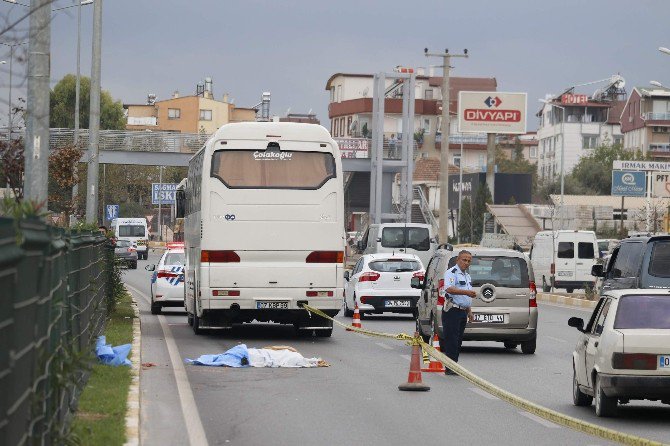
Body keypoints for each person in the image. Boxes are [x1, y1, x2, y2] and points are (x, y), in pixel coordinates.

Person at [442, 250, 476, 375]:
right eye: (464, 260)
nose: (466, 263)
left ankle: (454, 365)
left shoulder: (467, 276)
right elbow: (449, 288)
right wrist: (467, 293)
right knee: (451, 340)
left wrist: (469, 311)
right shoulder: (452, 272)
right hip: (452, 310)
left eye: (469, 261)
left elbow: (466, 299)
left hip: (462, 311)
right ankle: (450, 367)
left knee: (458, 340)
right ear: (458, 260)